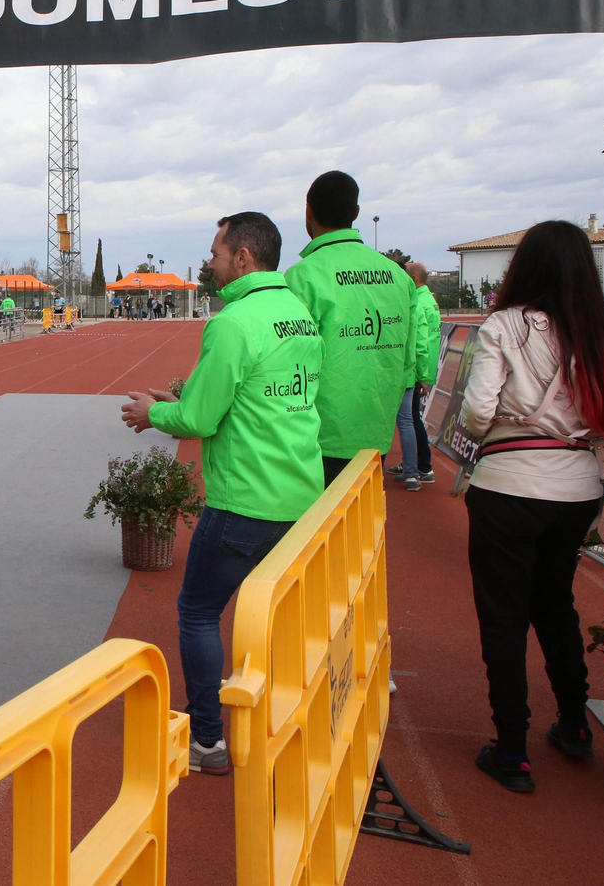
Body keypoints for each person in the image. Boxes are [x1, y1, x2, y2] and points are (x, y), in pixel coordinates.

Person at [121, 212, 325, 776]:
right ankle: (290, 725)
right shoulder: (298, 313)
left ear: (242, 257)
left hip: (244, 499)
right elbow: (262, 395)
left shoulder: (233, 321)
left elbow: (200, 418)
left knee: (198, 611)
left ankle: (208, 738)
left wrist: (153, 411)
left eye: (215, 252)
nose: (209, 263)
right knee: (280, 621)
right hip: (300, 493)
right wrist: (183, 398)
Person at [459, 221, 604, 793]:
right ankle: (575, 723)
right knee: (555, 604)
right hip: (578, 487)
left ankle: (512, 749)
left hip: (509, 483)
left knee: (503, 614)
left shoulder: (503, 325)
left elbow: (475, 415)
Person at [285, 171, 416, 485]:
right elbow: (408, 364)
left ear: (308, 212)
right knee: (363, 528)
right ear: (356, 213)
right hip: (377, 436)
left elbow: (288, 363)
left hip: (317, 439)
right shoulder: (399, 277)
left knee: (318, 531)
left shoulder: (301, 277)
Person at [392, 263, 441, 491]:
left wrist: (424, 375)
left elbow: (421, 342)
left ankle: (419, 468)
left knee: (408, 420)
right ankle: (417, 466)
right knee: (410, 419)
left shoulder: (418, 302)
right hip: (417, 369)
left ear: (412, 278)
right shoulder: (427, 299)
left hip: (411, 370)